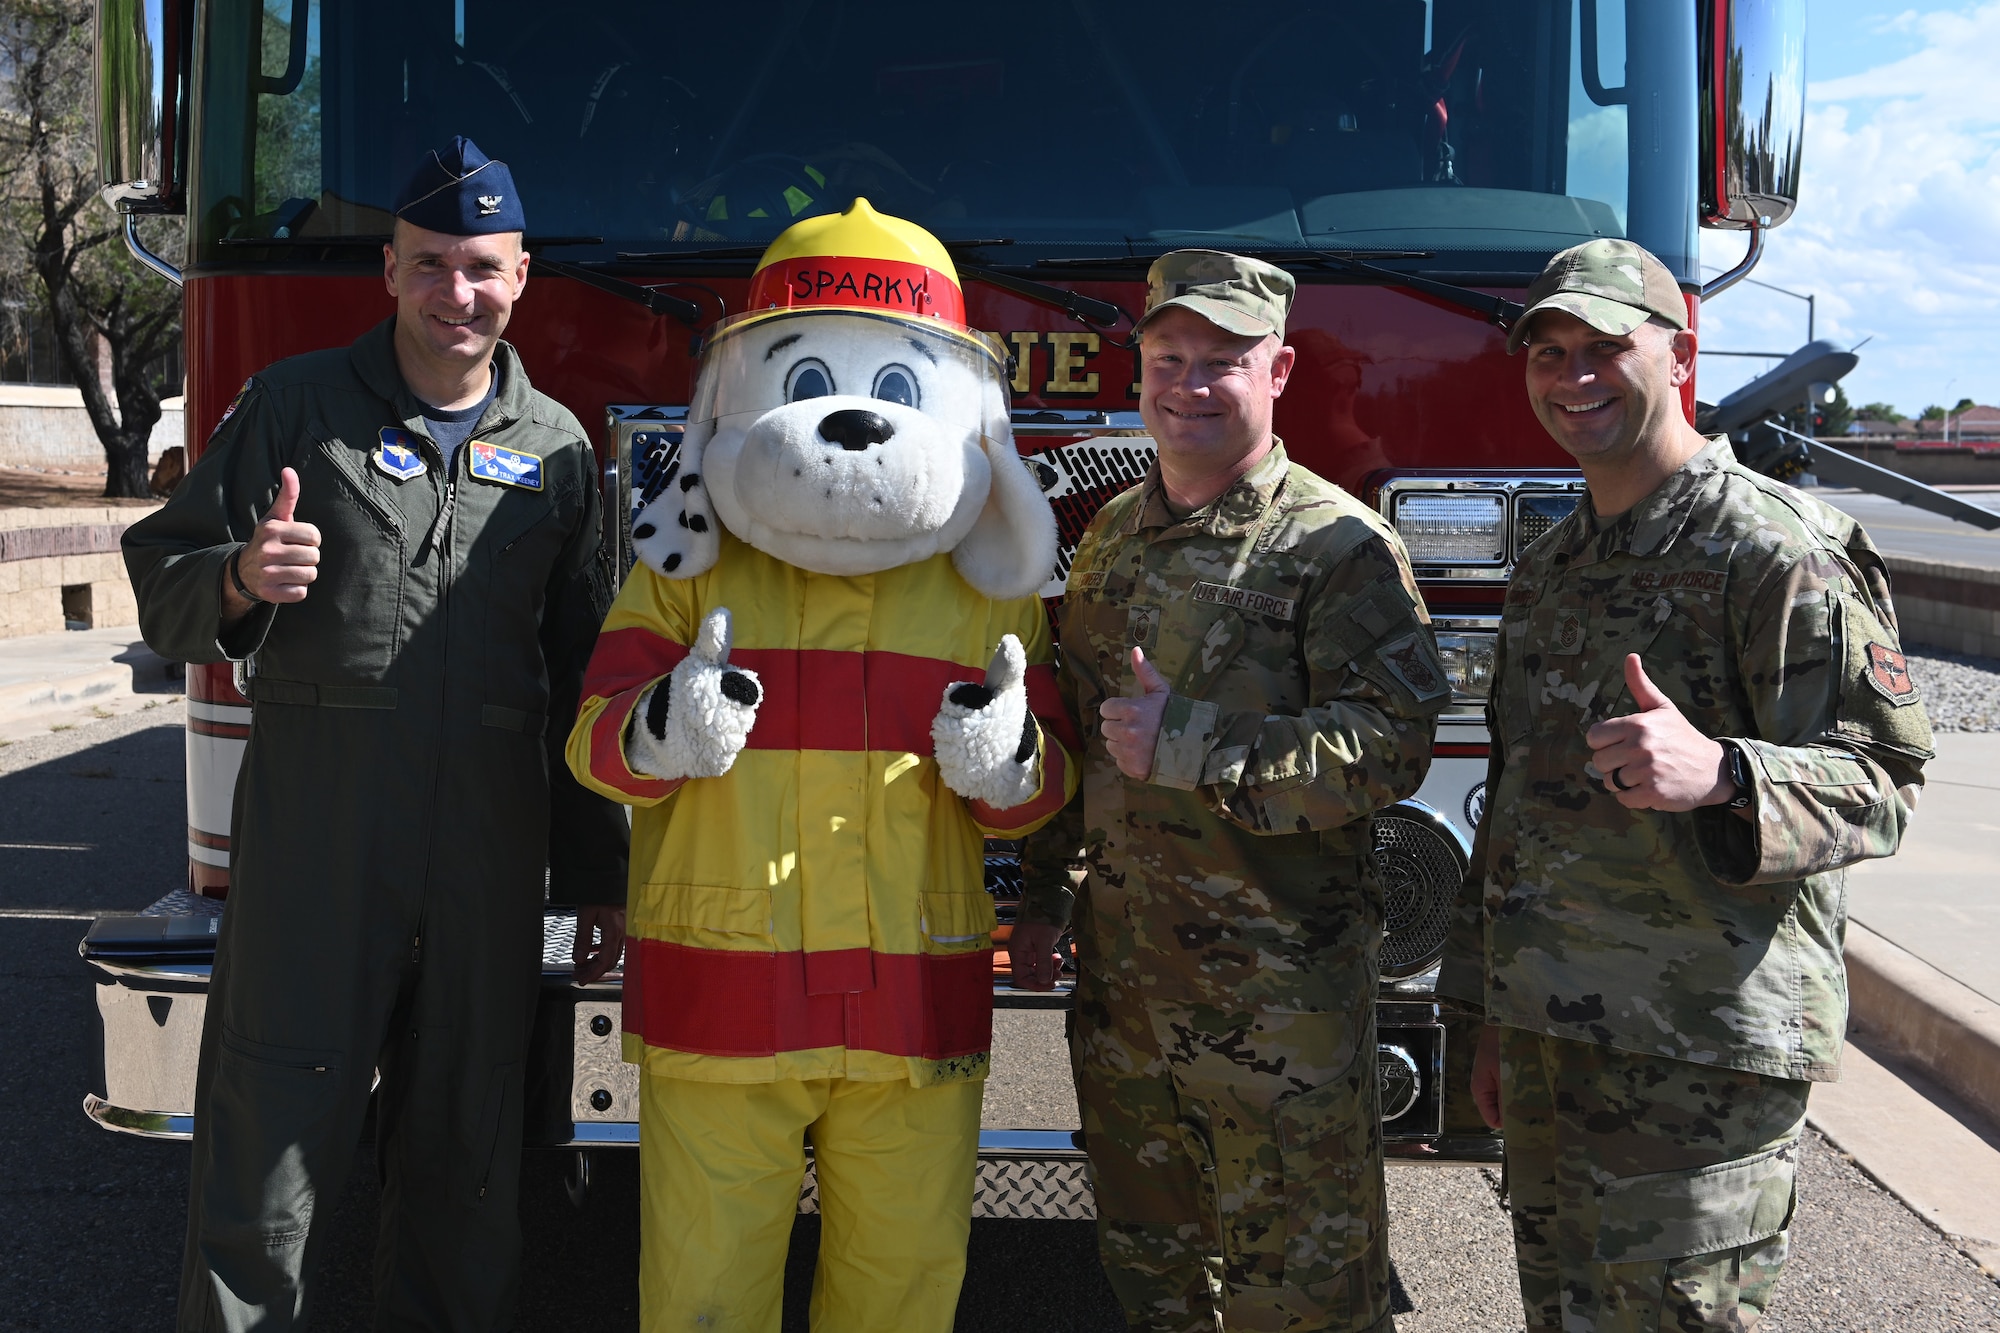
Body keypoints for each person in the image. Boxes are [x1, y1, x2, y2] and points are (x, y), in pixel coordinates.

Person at [123, 136, 629, 1331]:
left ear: (522, 278)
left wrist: (600, 876)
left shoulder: (558, 449)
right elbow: (163, 580)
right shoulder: (297, 404)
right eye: (434, 266)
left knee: (468, 1155)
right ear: (391, 274)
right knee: (268, 1156)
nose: (461, 294)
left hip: (487, 871)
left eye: (484, 269)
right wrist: (243, 577)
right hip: (319, 855)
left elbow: (579, 677)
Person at [1438, 238, 1935, 1333]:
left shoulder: (1774, 547)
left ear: (1679, 354)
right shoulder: (1554, 567)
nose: (1571, 376)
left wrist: (1721, 771)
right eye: (1547, 351)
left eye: (1603, 348)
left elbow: (1883, 780)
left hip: (1696, 1061)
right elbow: (1516, 808)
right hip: (1551, 1048)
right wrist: (1484, 1014)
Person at [1013, 250, 1448, 1332]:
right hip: (1126, 1007)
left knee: (1302, 1301)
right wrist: (1039, 894)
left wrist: (1201, 746)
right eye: (1167, 358)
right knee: (1155, 1288)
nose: (1188, 384)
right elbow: (1086, 734)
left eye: (1221, 361)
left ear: (1280, 370)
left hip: (1277, 1022)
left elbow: (1388, 748)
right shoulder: (1113, 537)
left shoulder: (1336, 547)